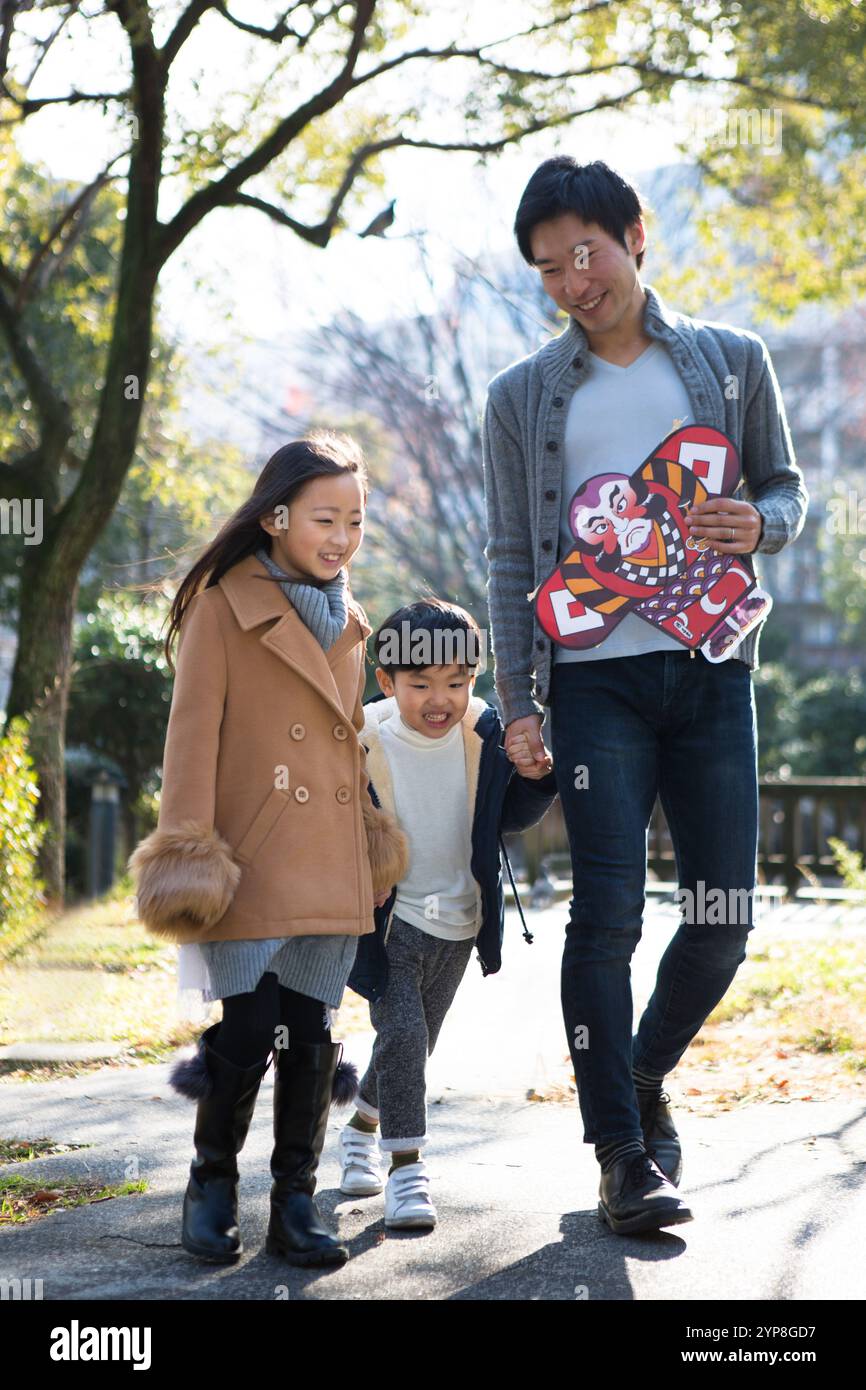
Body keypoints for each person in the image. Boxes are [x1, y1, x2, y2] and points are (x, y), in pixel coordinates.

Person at [481, 157, 809, 1236]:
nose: (571, 283)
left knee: (722, 920)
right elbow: (511, 552)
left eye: (582, 253)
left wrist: (758, 525)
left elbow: (785, 486)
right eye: (546, 270)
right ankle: (621, 1151)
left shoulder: (726, 360)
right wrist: (517, 699)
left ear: (631, 235)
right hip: (592, 684)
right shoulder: (520, 395)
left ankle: (638, 1070)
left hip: (711, 668)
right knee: (607, 914)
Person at [128, 431, 408, 1268]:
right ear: (277, 516)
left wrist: (367, 828)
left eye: (355, 521)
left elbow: (348, 741)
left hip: (326, 852)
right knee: (249, 1028)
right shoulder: (222, 602)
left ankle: (295, 1199)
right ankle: (211, 1181)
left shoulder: (350, 618)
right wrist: (188, 844)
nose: (342, 537)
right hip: (247, 856)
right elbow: (191, 736)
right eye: (326, 518)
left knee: (313, 1030)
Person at [337, 599, 558, 1228]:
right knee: (404, 1033)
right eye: (421, 684)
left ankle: (359, 1129)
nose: (441, 699)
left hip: (460, 922)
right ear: (387, 681)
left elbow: (502, 817)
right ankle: (406, 1168)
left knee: (412, 1045)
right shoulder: (364, 740)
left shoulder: (482, 734)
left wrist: (537, 780)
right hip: (390, 922)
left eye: (457, 683)